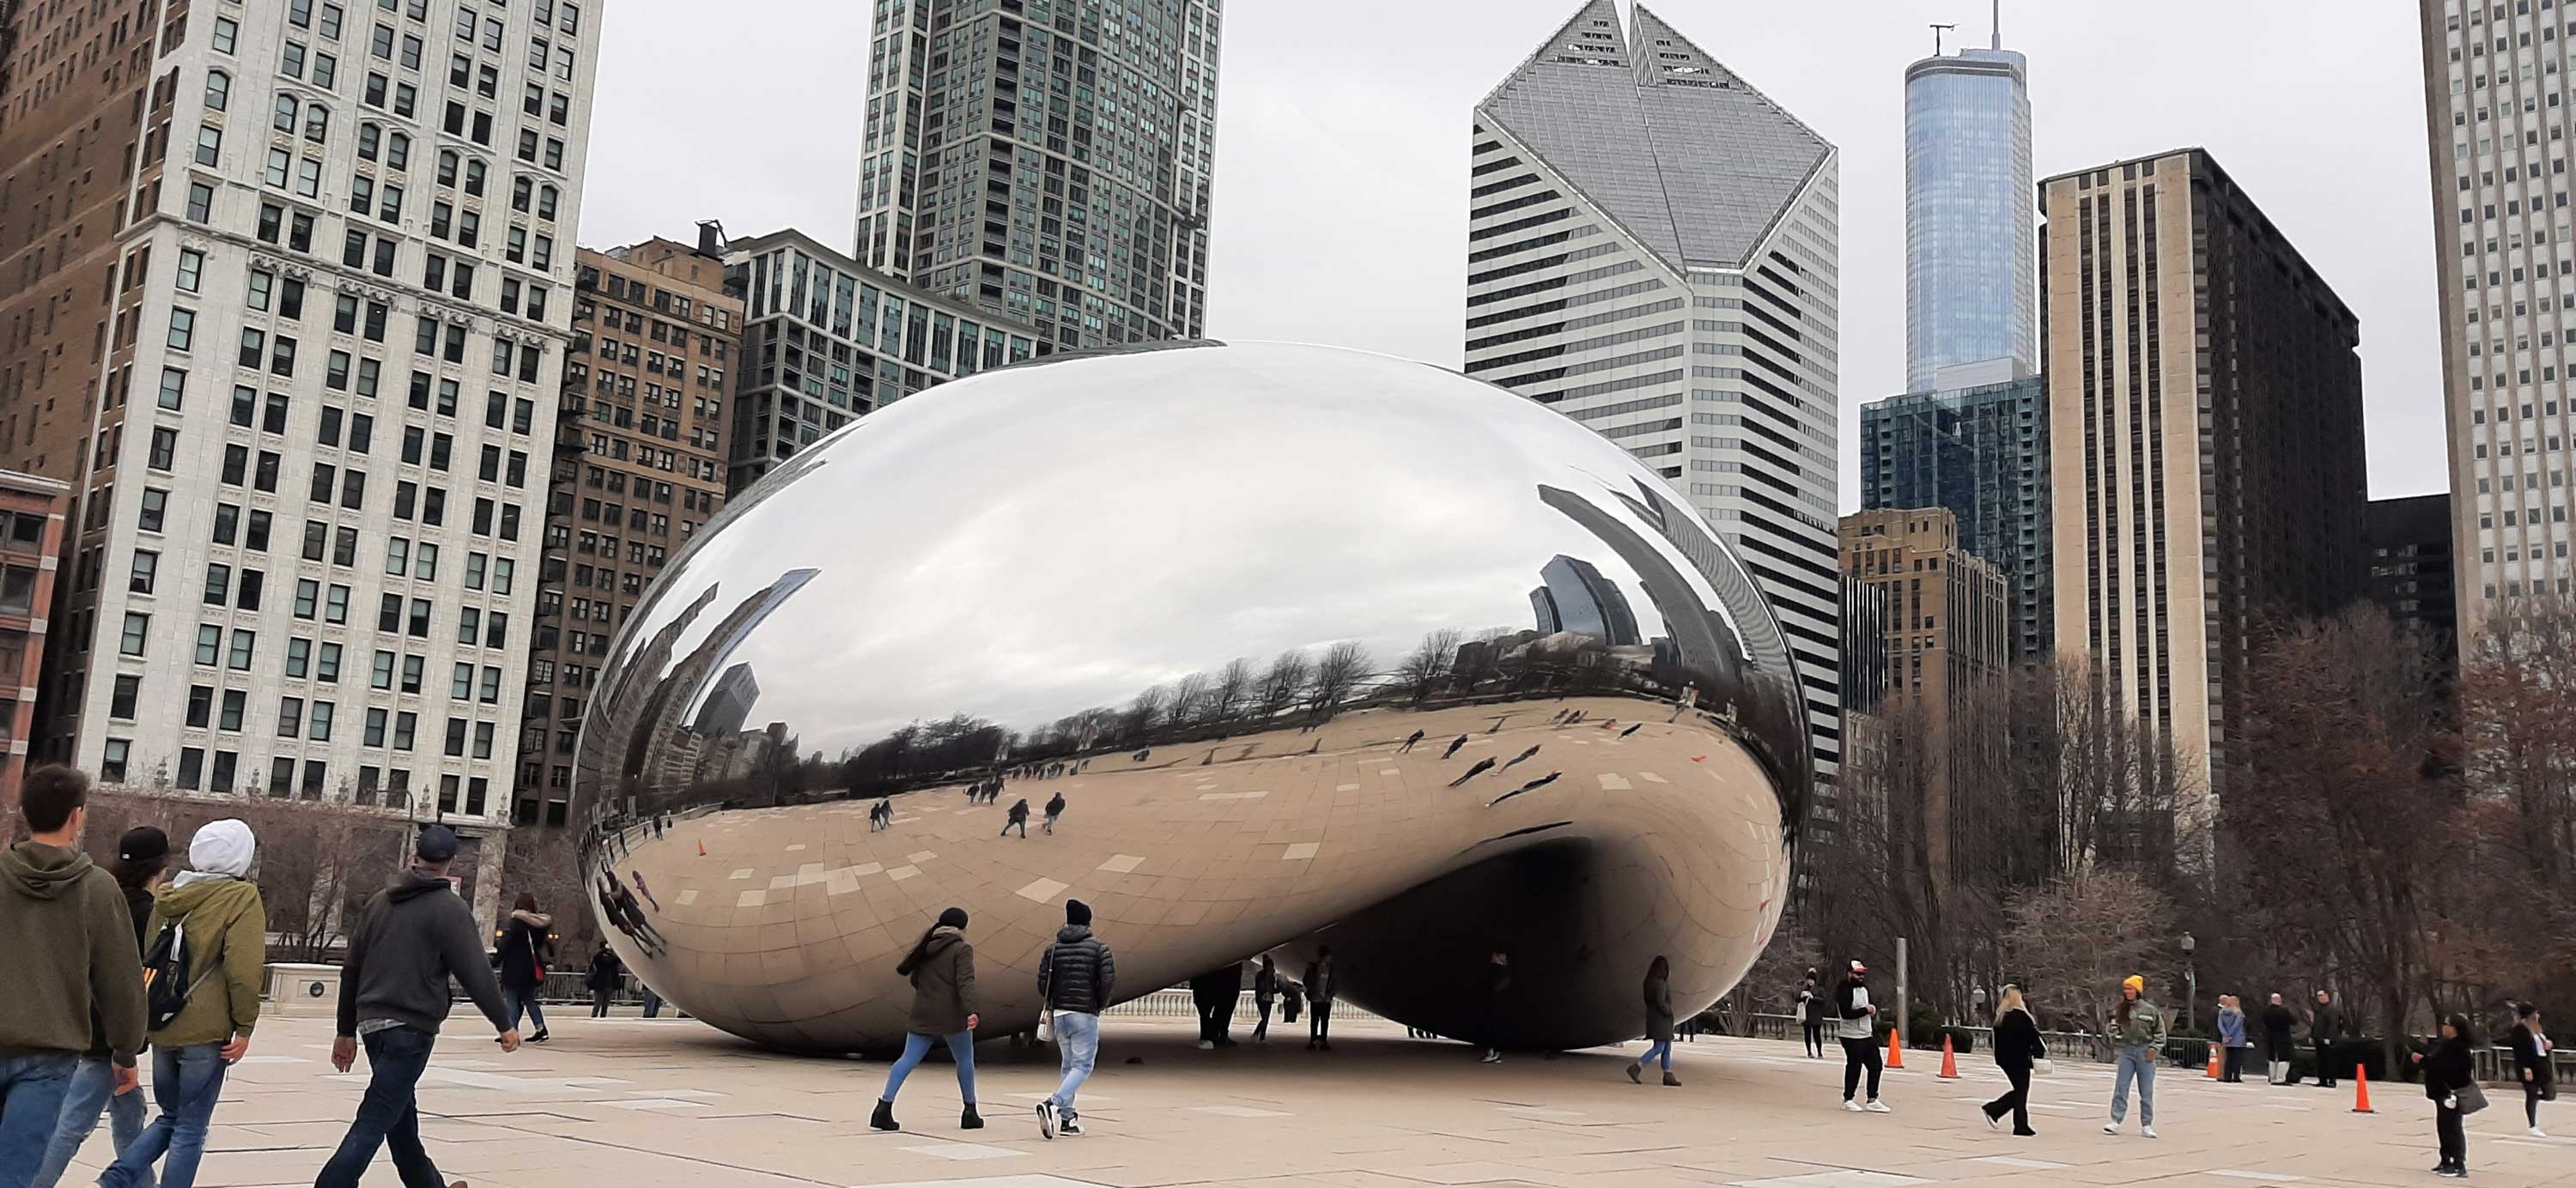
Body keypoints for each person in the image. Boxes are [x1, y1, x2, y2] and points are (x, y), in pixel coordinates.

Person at [316, 826, 519, 1188]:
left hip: (371, 1025)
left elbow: (351, 970)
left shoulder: (379, 902)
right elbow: (475, 971)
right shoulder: (449, 909)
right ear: (451, 863)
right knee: (377, 1116)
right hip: (410, 1030)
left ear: (415, 856)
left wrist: (345, 1031)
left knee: (400, 1122)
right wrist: (504, 1023)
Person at [96, 820, 268, 1188]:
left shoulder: (169, 895)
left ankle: (117, 1176)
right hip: (206, 1029)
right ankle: (120, 1178)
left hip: (163, 1022)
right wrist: (246, 1025)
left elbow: (149, 954)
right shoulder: (241, 898)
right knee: (191, 1127)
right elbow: (243, 969)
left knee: (169, 1117)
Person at [0, 766, 147, 1188]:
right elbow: (120, 981)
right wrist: (125, 1049)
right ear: (77, 816)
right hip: (50, 1052)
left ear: (25, 812)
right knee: (16, 1174)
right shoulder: (97, 889)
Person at [31, 827, 167, 1188]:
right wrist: (128, 1044)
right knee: (72, 1124)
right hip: (109, 1035)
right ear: (160, 867)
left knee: (129, 1112)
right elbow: (134, 981)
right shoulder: (147, 915)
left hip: (79, 1020)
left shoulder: (96, 896)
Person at [871, 907, 981, 1133]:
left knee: (908, 1059)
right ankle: (970, 1111)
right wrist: (972, 1011)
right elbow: (965, 982)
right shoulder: (962, 949)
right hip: (953, 1015)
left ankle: (883, 1108)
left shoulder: (926, 947)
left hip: (923, 1011)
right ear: (962, 927)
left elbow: (916, 980)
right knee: (964, 1061)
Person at [1033, 899, 1114, 1140]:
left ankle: (1068, 1120)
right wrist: (1098, 1004)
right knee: (1083, 1066)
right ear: (1088, 921)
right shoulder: (1099, 948)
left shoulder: (1053, 949)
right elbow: (1107, 982)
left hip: (1059, 1014)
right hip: (1084, 1013)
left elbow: (1042, 984)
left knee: (1068, 1066)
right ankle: (1053, 1104)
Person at [2103, 974, 2167, 1138]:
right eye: (2125, 989)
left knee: (2146, 1091)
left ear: (2138, 990)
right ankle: (2116, 1120)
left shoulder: (2150, 1010)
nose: (2127, 992)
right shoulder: (2121, 1009)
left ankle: (2147, 1124)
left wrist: (2154, 1049)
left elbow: (2160, 1033)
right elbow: (2113, 1030)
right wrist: (2112, 1029)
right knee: (2121, 1087)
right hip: (2127, 1050)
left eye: (2130, 989)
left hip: (2145, 1051)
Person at [2415, 1013, 2476, 1178]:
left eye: (2447, 1024)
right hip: (2440, 1091)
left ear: (2454, 1028)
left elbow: (2444, 1067)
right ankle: (2445, 1159)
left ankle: (2458, 1163)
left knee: (2452, 1127)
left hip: (2450, 1092)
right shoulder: (2446, 1045)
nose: (2444, 1027)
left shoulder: (2458, 1047)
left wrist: (2423, 1061)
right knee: (2443, 1126)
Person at [1983, 985, 2044, 1136]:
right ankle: (1997, 1111)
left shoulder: (2001, 1018)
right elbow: (2034, 1039)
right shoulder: (2023, 1017)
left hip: (2005, 1060)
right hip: (2020, 1060)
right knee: (2021, 1091)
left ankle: (2015, 1121)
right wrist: (2038, 1055)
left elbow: (1993, 1041)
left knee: (2019, 1090)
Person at [496, 894, 553, 1044]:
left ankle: (511, 1032)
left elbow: (505, 945)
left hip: (514, 968)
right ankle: (541, 1029)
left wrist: (494, 961)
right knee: (529, 999)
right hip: (531, 968)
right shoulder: (538, 925)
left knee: (512, 1000)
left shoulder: (516, 923)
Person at [1834, 960, 1888, 1112]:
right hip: (1850, 1035)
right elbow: (1846, 1014)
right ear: (1849, 973)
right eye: (1858, 974)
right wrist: (1866, 1010)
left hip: (1866, 1034)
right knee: (1854, 1065)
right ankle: (1848, 1099)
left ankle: (1872, 1099)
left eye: (1862, 974)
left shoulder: (1863, 989)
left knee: (1876, 1065)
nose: (1861, 977)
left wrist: (1870, 1013)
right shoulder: (1844, 989)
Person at [1626, 955, 1678, 1087]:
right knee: (1660, 1047)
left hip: (1654, 1017)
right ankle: (1637, 1066)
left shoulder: (1648, 982)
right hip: (1662, 1019)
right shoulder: (1661, 984)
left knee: (1667, 1047)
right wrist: (1668, 1011)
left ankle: (1668, 1074)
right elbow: (1661, 1001)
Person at [2512, 1002, 2555, 1137]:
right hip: (2529, 1065)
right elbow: (2520, 1050)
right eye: (2535, 1013)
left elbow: (2542, 1045)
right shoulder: (2520, 1029)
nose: (2538, 1015)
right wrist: (2526, 1068)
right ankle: (2532, 1125)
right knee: (2531, 1093)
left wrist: (2548, 1044)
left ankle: (2536, 1096)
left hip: (2542, 1063)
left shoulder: (2537, 1028)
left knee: (2550, 1093)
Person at [1190, 963, 1242, 1050]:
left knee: (1206, 1015)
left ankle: (1209, 1037)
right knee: (1215, 1014)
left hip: (1205, 988)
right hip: (1220, 988)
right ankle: (1215, 1036)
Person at [1479, 949, 1510, 1064]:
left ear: (1497, 957)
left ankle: (1491, 1052)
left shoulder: (1493, 970)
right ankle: (1496, 1053)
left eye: (1493, 955)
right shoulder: (1506, 972)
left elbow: (1489, 986)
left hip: (1493, 1004)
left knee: (1491, 1028)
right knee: (1498, 1028)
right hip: (1501, 1005)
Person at [2310, 990, 2347, 1089]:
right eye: (2319, 996)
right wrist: (2312, 1035)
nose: (2320, 998)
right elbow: (2316, 1024)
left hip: (2328, 1039)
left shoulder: (2332, 1009)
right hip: (2319, 1038)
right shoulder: (2318, 1009)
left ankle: (2332, 1080)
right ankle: (2322, 1080)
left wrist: (2329, 1037)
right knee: (2320, 1061)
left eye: (2322, 995)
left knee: (2330, 1061)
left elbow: (2334, 1025)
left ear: (2327, 996)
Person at [2261, 993, 2300, 1084]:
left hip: (2270, 1036)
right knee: (2285, 1058)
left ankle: (2272, 1077)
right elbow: (2294, 1021)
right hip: (2283, 1036)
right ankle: (2281, 1078)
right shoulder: (2284, 1011)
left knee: (2272, 1058)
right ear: (2279, 1000)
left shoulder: (2266, 1011)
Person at [1304, 949, 1337, 1051]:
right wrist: (1313, 990)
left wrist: (1330, 995)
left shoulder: (1331, 969)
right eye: (1329, 956)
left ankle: (1324, 1041)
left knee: (1325, 1021)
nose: (1330, 958)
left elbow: (1334, 984)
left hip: (1326, 999)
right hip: (1315, 998)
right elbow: (1306, 980)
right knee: (1314, 1021)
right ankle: (1313, 1041)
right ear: (1323, 956)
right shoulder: (1313, 968)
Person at [586, 943, 623, 1019]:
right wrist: (604, 950)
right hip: (600, 985)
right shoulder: (600, 961)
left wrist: (612, 951)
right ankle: (594, 1016)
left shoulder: (613, 961)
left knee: (605, 1004)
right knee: (598, 1003)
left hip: (609, 984)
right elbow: (596, 957)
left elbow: (619, 959)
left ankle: (602, 1017)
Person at [2217, 994, 2250, 1083]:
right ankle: (2236, 1076)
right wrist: (2230, 1035)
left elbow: (2220, 1025)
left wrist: (2225, 1035)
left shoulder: (2222, 1012)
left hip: (2226, 1039)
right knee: (2237, 1059)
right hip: (2237, 1038)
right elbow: (2237, 1025)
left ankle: (2227, 1076)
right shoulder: (2238, 1012)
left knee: (2228, 1059)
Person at [1795, 969, 1825, 1059]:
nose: (1810, 982)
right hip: (1806, 1015)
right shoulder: (1804, 988)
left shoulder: (1820, 989)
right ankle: (1809, 1052)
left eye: (1811, 980)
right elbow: (1797, 999)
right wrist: (1801, 996)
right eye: (1808, 980)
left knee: (1817, 1034)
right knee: (1807, 1034)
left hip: (1816, 1015)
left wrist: (1813, 997)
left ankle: (1819, 1052)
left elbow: (1823, 1000)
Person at [1251, 956, 1279, 1043]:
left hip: (1268, 999)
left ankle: (1262, 1037)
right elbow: (1263, 987)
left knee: (1266, 1019)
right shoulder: (1261, 975)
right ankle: (1256, 1034)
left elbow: (1272, 989)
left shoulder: (1271, 976)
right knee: (1265, 1018)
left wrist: (1279, 989)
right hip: (1262, 999)